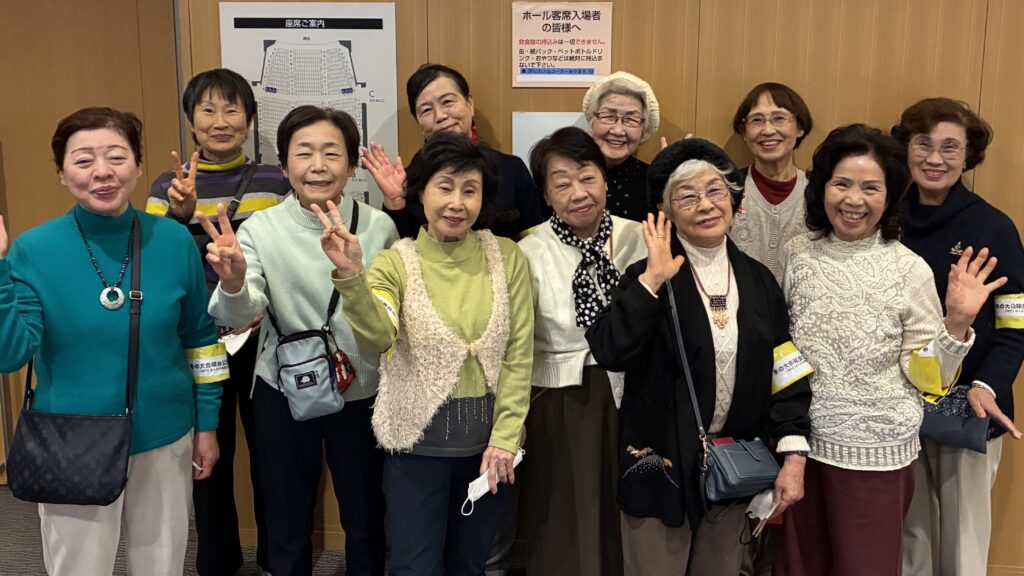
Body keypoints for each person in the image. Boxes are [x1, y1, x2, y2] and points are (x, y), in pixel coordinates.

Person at [0, 107, 226, 575]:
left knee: (162, 565)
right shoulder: (33, 251)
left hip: (165, 434)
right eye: (83, 160)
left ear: (139, 167)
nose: (102, 172)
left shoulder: (174, 242)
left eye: (117, 157)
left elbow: (202, 341)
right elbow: (11, 354)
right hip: (70, 439)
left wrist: (207, 423)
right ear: (62, 173)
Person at [774, 124, 1005, 576]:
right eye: (841, 184)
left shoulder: (908, 268)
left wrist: (957, 323)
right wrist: (786, 435)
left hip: (875, 453)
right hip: (801, 447)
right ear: (822, 189)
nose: (853, 200)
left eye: (870, 188)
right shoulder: (797, 254)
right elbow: (783, 350)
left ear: (889, 196)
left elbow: (928, 379)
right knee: (798, 566)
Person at [585, 138, 812, 575]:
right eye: (687, 196)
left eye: (715, 191)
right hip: (658, 465)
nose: (705, 204)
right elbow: (610, 349)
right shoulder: (646, 275)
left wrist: (794, 454)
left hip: (732, 469)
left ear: (734, 200)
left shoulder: (760, 281)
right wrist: (651, 282)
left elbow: (785, 372)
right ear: (666, 212)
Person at [328, 133, 533, 576]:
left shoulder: (507, 257)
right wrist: (352, 277)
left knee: (470, 565)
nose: (457, 203)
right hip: (415, 451)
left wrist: (504, 438)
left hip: (487, 451)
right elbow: (377, 336)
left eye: (470, 190)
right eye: (445, 187)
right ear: (420, 192)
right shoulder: (395, 263)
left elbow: (518, 355)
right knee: (414, 567)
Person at [206, 106, 397, 576]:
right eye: (304, 152)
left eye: (332, 153)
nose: (318, 165)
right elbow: (240, 314)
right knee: (287, 515)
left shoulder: (379, 228)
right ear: (284, 164)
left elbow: (388, 316)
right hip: (284, 388)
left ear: (350, 165)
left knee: (365, 515)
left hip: (362, 388)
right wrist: (233, 282)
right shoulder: (260, 229)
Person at [145, 67, 291, 576]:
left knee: (272, 453)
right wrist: (178, 215)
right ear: (191, 120)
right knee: (208, 451)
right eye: (208, 110)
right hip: (198, 341)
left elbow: (287, 254)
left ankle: (277, 557)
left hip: (262, 336)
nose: (221, 121)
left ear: (249, 119)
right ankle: (217, 560)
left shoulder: (275, 180)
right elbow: (153, 263)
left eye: (232, 109)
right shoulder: (168, 186)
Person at [893, 98, 1024, 576]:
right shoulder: (886, 219)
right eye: (923, 144)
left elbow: (1015, 323)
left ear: (968, 156)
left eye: (950, 147)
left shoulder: (993, 227)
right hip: (899, 405)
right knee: (908, 541)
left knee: (962, 547)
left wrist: (989, 385)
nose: (935, 158)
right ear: (905, 149)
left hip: (969, 408)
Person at [518, 126, 647, 576]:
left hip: (636, 391)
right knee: (565, 509)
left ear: (605, 179)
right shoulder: (528, 251)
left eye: (588, 177)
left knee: (630, 506)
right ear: (546, 195)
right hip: (562, 396)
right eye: (562, 183)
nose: (579, 193)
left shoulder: (641, 237)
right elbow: (518, 342)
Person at [361, 63, 544, 240]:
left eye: (447, 102)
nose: (440, 116)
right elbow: (399, 250)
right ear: (418, 121)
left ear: (469, 103)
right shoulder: (407, 181)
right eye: (426, 110)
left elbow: (534, 243)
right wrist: (395, 203)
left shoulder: (512, 169)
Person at [728, 82, 813, 284]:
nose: (767, 130)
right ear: (744, 132)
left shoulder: (818, 192)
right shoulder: (727, 188)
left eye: (779, 118)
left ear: (800, 127)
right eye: (756, 120)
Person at [581, 70, 661, 222]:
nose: (618, 130)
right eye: (608, 116)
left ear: (643, 129)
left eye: (631, 119)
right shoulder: (567, 173)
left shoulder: (655, 182)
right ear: (591, 120)